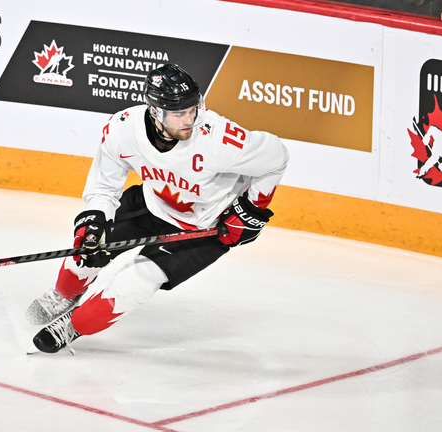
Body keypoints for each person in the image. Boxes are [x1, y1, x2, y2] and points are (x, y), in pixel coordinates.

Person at [26, 63, 289, 354]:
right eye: (179, 113)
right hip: (151, 205)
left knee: (136, 282)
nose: (189, 119)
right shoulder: (123, 129)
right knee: (85, 253)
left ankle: (72, 326)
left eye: (193, 109)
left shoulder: (219, 140)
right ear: (154, 111)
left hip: (204, 228)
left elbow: (276, 157)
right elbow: (103, 187)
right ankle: (61, 297)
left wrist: (250, 210)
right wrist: (95, 222)